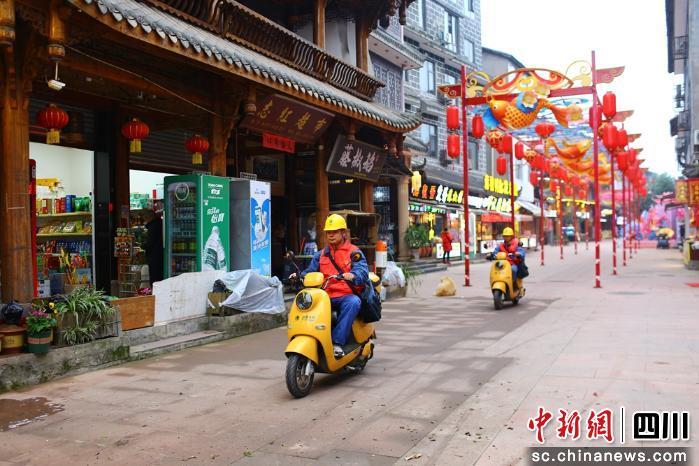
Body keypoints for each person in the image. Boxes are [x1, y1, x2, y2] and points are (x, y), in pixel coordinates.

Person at [291, 214, 368, 358]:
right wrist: (299, 275)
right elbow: (310, 271)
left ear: (343, 233)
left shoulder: (354, 252)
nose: (331, 235)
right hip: (324, 295)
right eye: (328, 232)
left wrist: (353, 275)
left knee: (353, 302)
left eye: (335, 232)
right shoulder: (321, 254)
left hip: (345, 295)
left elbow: (362, 271)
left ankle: (337, 342)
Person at [142, 209, 164, 285]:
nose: (145, 220)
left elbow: (150, 243)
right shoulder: (158, 224)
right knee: (158, 277)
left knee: (155, 278)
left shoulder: (153, 227)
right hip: (159, 255)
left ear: (149, 217)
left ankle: (155, 291)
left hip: (155, 257)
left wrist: (143, 245)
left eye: (145, 218)